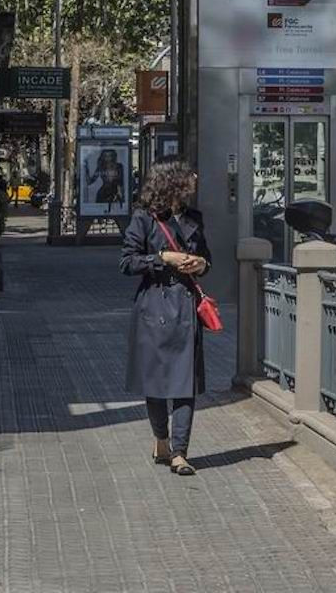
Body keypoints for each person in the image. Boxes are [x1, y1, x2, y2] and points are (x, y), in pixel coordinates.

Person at [121, 159, 211, 476]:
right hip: (154, 308)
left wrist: (200, 264)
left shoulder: (194, 218)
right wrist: (162, 257)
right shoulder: (144, 218)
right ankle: (161, 438)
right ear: (172, 182)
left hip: (186, 307)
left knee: (186, 382)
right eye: (189, 175)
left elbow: (207, 260)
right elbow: (127, 262)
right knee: (157, 382)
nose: (195, 178)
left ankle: (180, 452)